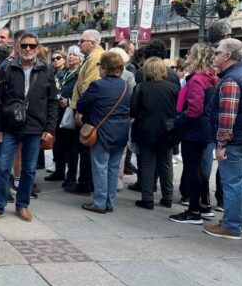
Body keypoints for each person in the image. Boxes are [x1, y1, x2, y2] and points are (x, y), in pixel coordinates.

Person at [0, 31, 57, 223]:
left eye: (31, 46)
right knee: (1, 168)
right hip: (10, 127)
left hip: (35, 127)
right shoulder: (7, 69)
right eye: (24, 45)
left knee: (29, 169)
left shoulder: (46, 70)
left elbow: (52, 102)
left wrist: (49, 129)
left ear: (37, 48)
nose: (27, 49)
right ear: (17, 47)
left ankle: (22, 205)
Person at [205, 38, 242, 239]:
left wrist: (222, 143)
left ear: (227, 56)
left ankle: (231, 225)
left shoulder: (231, 80)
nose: (214, 55)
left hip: (236, 140)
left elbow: (227, 116)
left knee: (233, 183)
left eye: (217, 52)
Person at [76, 50, 131, 214]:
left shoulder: (98, 85)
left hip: (101, 131)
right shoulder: (125, 85)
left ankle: (99, 203)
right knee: (113, 168)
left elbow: (81, 104)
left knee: (100, 167)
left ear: (105, 67)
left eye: (100, 65)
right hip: (121, 132)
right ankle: (110, 201)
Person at [169, 43, 218, 224]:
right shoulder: (210, 77)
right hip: (203, 129)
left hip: (195, 130)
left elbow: (195, 109)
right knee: (198, 169)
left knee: (192, 169)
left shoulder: (197, 79)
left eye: (189, 53)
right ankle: (203, 207)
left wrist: (178, 120)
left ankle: (194, 211)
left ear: (196, 57)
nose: (187, 56)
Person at [130, 57, 179, 210]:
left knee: (147, 164)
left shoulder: (140, 87)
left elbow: (133, 111)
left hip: (145, 130)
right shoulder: (174, 88)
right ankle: (167, 197)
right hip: (167, 131)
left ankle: (147, 198)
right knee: (166, 164)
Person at [68, 29, 105, 196]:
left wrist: (80, 110)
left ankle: (85, 183)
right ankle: (85, 182)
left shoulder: (96, 58)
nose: (79, 43)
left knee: (85, 146)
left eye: (82, 40)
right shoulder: (92, 57)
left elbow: (89, 87)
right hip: (88, 109)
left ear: (93, 43)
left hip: (88, 111)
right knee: (83, 147)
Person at [46, 45, 82, 188]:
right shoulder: (63, 72)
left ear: (80, 58)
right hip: (58, 112)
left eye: (74, 55)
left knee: (72, 147)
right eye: (70, 54)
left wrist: (69, 102)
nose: (71, 57)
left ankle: (71, 177)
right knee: (58, 143)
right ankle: (59, 171)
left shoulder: (80, 73)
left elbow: (82, 92)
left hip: (71, 112)